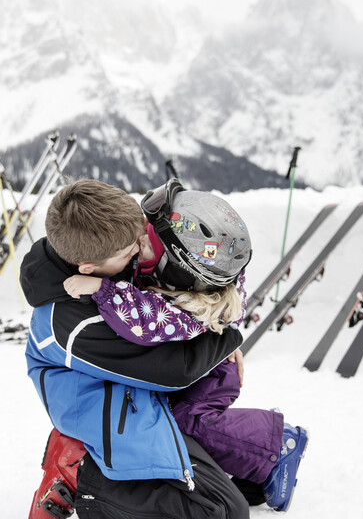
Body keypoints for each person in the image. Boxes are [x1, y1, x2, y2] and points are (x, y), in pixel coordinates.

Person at [63, 178, 309, 512]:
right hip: (199, 368)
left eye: (147, 245)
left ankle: (276, 444)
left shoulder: (185, 310)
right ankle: (251, 461)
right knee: (179, 422)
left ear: (179, 272)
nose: (137, 244)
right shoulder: (189, 270)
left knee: (187, 422)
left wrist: (101, 289)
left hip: (209, 375)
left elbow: (143, 320)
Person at [22, 179, 248, 519]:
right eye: (129, 250)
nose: (139, 249)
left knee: (218, 379)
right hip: (110, 411)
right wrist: (226, 337)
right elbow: (174, 371)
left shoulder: (100, 249)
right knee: (222, 513)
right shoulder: (73, 323)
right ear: (87, 268)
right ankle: (78, 470)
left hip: (132, 393)